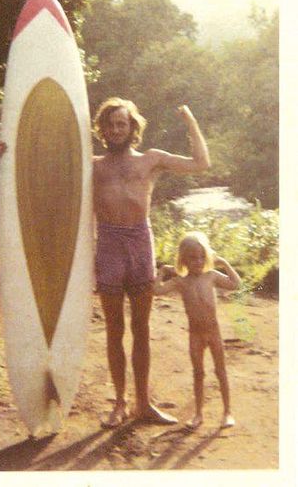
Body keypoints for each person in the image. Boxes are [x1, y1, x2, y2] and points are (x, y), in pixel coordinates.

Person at [93, 98, 210, 427]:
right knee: (114, 330)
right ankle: (119, 402)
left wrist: (190, 122)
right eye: (111, 124)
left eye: (122, 124)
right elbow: (48, 170)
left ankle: (144, 404)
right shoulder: (93, 164)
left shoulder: (151, 160)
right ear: (102, 129)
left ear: (132, 128)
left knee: (141, 329)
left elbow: (201, 163)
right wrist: (7, 153)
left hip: (140, 243)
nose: (117, 130)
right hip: (109, 244)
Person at [154, 231, 241, 429]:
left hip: (214, 332)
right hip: (195, 334)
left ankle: (227, 412)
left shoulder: (211, 276)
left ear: (207, 256)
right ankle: (198, 414)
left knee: (221, 371)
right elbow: (156, 291)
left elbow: (237, 284)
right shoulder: (180, 282)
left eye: (202, 256)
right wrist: (162, 272)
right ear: (183, 260)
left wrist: (225, 264)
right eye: (193, 258)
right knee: (198, 373)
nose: (198, 261)